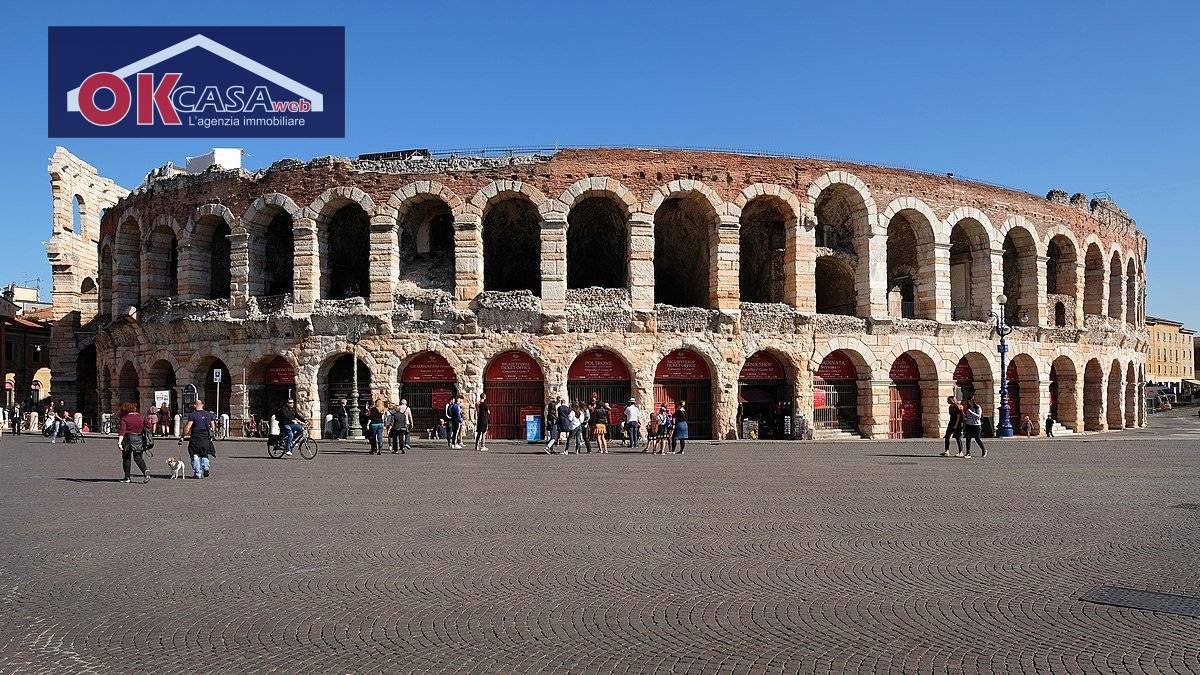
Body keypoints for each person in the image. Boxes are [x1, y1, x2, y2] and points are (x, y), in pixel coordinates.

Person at [180, 399, 217, 478]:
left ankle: (198, 473)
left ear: (194, 405)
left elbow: (187, 428)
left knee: (195, 455)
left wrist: (182, 436)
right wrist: (211, 435)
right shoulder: (209, 414)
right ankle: (206, 467)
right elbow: (213, 427)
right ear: (202, 405)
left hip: (195, 438)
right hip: (205, 438)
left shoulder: (192, 415)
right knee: (204, 453)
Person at [117, 401, 150, 483]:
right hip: (139, 438)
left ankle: (127, 477)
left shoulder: (124, 418)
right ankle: (145, 471)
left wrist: (119, 442)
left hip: (128, 439)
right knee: (138, 457)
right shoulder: (141, 416)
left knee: (126, 458)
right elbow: (149, 425)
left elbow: (122, 431)